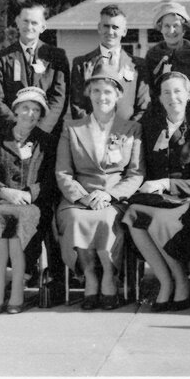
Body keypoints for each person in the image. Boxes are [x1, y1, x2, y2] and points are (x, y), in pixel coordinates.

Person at [56, 65, 144, 310]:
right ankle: (90, 275)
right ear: (88, 93)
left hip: (114, 198)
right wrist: (83, 198)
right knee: (75, 219)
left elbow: (136, 173)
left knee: (106, 219)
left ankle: (108, 274)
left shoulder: (131, 129)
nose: (101, 96)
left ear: (118, 95)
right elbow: (63, 172)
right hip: (79, 199)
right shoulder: (72, 128)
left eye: (107, 91)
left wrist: (109, 194)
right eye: (96, 90)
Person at [125, 72, 190, 311]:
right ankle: (165, 280)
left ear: (188, 95)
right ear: (160, 98)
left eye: (177, 91)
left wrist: (166, 183)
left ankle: (182, 283)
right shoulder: (149, 126)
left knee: (158, 220)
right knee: (133, 213)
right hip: (155, 197)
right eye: (166, 92)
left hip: (187, 199)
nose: (172, 97)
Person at [0, 87, 56, 314]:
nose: (29, 114)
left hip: (32, 206)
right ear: (15, 110)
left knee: (20, 219)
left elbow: (52, 178)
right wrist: (2, 191)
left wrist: (31, 192)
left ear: (41, 114)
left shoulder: (47, 143)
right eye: (25, 108)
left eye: (35, 110)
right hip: (0, 202)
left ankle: (17, 289)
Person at [0, 2, 70, 139]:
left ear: (43, 26)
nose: (29, 27)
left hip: (47, 136)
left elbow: (59, 98)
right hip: (12, 135)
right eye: (25, 21)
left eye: (34, 23)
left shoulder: (57, 57)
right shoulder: (0, 59)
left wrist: (40, 131)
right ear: (17, 22)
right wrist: (19, 128)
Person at [71, 4, 150, 123]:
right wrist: (93, 132)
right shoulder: (81, 64)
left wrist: (127, 133)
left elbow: (143, 107)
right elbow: (78, 106)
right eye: (106, 26)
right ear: (99, 28)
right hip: (91, 135)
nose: (110, 31)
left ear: (124, 31)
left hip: (127, 135)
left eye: (115, 27)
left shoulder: (138, 65)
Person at [144, 1, 190, 120]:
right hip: (160, 118)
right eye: (166, 26)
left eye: (176, 25)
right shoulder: (152, 56)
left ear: (184, 28)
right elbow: (149, 92)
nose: (171, 31)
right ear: (160, 28)